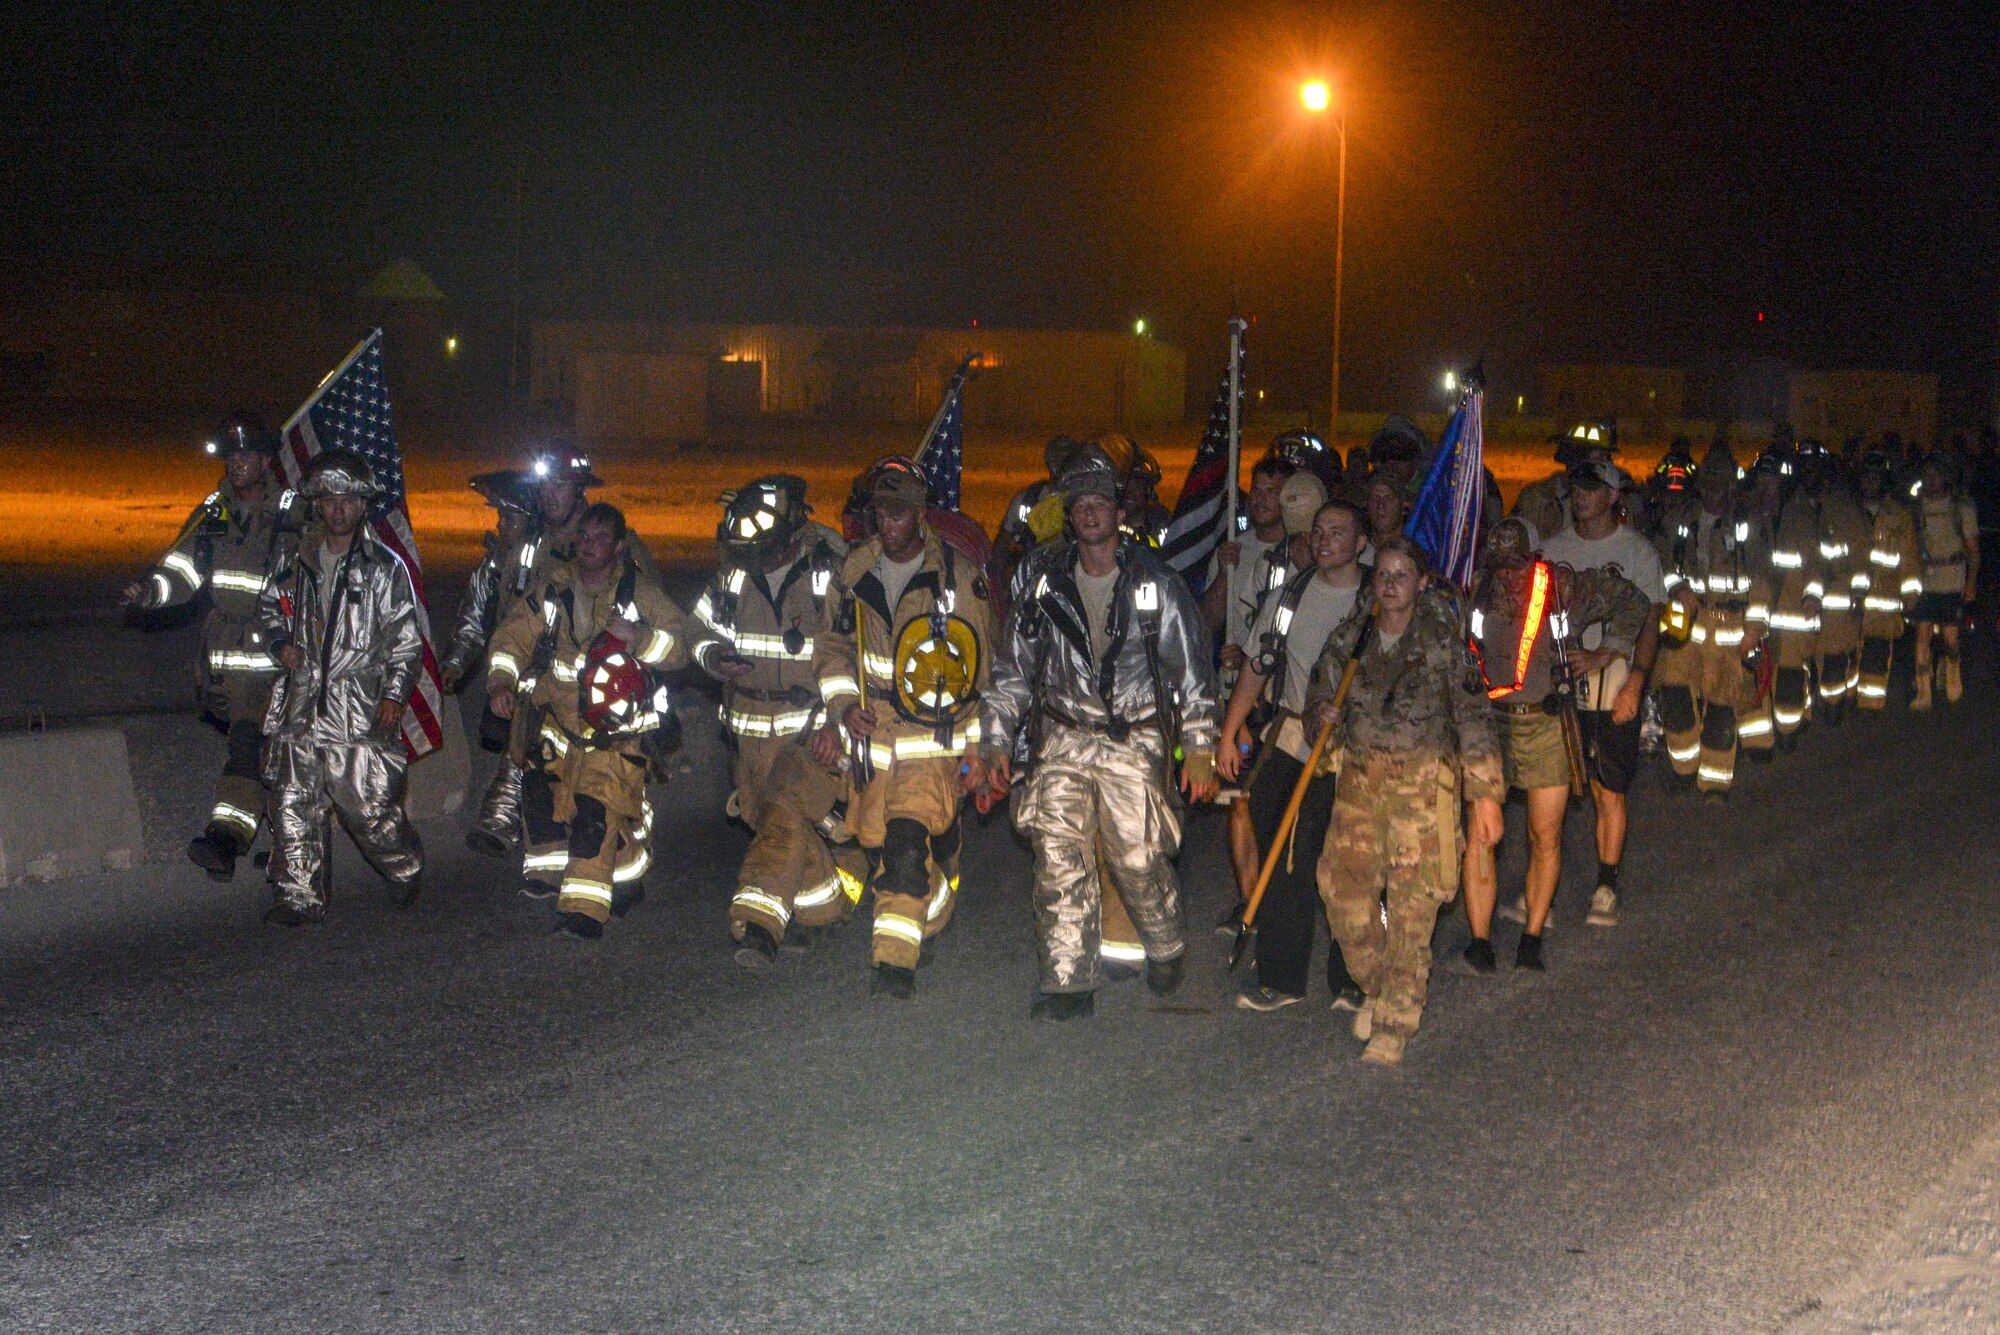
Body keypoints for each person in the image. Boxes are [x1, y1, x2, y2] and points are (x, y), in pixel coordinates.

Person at [971, 449, 1220, 1022]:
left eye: (1099, 503)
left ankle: (1165, 944)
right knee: (1058, 856)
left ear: (1117, 510)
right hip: (1062, 735)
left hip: (1134, 741)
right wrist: (995, 743)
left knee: (1136, 856)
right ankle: (1066, 983)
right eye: (1078, 504)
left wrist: (1201, 746)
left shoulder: (1154, 581)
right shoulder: (1042, 580)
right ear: (1069, 514)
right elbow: (1013, 668)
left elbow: (1192, 670)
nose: (1089, 513)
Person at [1308, 537, 1503, 1066]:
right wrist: (1322, 714)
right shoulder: (1352, 639)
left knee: (1414, 911)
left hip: (1422, 794)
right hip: (1359, 790)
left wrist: (1486, 796)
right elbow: (1319, 698)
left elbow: (1474, 720)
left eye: (1402, 575)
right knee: (1343, 897)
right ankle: (1376, 985)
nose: (1390, 583)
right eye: (1383, 574)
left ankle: (1395, 1019)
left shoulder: (1443, 644)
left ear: (1420, 583)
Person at [814, 460, 995, 997]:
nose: (887, 524)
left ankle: (893, 965)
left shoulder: (957, 577)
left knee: (904, 848)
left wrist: (979, 751)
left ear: (920, 514)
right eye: (879, 514)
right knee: (873, 842)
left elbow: (981, 671)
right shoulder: (852, 574)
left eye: (898, 514)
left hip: (933, 739)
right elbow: (831, 650)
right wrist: (843, 707)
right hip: (872, 740)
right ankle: (930, 906)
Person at [487, 503, 690, 938]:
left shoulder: (641, 594)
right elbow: (512, 638)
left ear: (618, 547)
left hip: (617, 735)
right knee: (546, 804)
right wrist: (500, 682)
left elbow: (679, 649)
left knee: (594, 814)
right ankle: (614, 872)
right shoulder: (553, 589)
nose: (588, 546)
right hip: (559, 728)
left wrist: (640, 639)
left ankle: (582, 912)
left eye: (600, 539)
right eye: (583, 537)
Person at [688, 474, 861, 964]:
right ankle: (819, 909)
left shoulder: (832, 573)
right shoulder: (734, 574)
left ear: (790, 533)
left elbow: (851, 653)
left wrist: (836, 721)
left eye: (764, 548)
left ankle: (757, 924)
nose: (755, 559)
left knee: (784, 815)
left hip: (809, 727)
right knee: (771, 822)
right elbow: (695, 629)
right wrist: (712, 655)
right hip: (748, 731)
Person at [1464, 518, 1647, 967]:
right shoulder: (1479, 590)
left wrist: (1607, 653)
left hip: (1545, 725)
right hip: (1491, 725)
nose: (1508, 576)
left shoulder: (1560, 585)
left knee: (1544, 836)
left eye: (1516, 566)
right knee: (1482, 835)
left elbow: (1635, 603)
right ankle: (1480, 941)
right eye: (1500, 566)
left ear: (1533, 557)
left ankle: (1531, 937)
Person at [122, 412, 295, 881]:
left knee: (248, 746)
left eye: (246, 455)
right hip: (223, 662)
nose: (236, 463)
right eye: (230, 455)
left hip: (275, 660)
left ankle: (225, 839)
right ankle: (289, 846)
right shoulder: (214, 511)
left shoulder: (292, 516)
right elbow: (183, 570)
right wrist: (151, 591)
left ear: (265, 460)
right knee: (270, 757)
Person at [255, 449, 424, 925]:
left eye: (348, 499)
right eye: (330, 499)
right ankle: (298, 897)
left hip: (359, 707)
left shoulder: (384, 568)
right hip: (301, 706)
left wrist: (393, 695)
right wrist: (279, 644)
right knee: (292, 803)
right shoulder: (295, 558)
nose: (338, 508)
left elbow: (406, 642)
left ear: (363, 504)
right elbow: (270, 606)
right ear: (317, 504)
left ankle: (405, 865)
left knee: (368, 810)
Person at [1218, 499, 1369, 1012]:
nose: (1325, 540)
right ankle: (1282, 976)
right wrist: (1231, 728)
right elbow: (1258, 665)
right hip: (1289, 741)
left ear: (1361, 543)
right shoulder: (1289, 594)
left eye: (1338, 531)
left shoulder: (1376, 601)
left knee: (1349, 865)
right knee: (1283, 854)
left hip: (1352, 750)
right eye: (1320, 531)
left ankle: (1353, 975)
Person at [1503, 459, 1666, 928]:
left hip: (1612, 686)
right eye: (1576, 487)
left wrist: (1635, 680)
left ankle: (1606, 886)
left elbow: (1650, 620)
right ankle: (1543, 897)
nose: (1581, 496)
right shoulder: (1553, 549)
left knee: (1607, 791)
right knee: (1546, 792)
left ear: (1614, 496)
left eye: (1593, 489)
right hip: (1558, 691)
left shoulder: (1636, 552)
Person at [1650, 442, 1773, 799]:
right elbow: (1660, 563)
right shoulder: (1679, 520)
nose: (1713, 493)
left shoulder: (1746, 524)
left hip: (1730, 626)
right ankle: (1683, 767)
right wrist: (1679, 589)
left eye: (1721, 486)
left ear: (1732, 487)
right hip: (1686, 618)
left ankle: (1715, 784)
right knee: (1672, 691)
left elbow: (1763, 577)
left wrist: (1754, 628)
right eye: (1708, 484)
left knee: (1722, 706)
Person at [440, 469, 541, 857]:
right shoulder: (494, 565)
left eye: (510, 518)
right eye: (500, 518)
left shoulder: (549, 563)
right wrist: (455, 664)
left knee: (524, 744)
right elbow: (473, 618)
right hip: (507, 671)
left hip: (544, 672)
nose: (502, 525)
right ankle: (503, 820)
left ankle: (498, 822)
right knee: (507, 741)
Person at [1201, 453, 1295, 686]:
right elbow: (1206, 625)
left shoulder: (1300, 552)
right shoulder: (1233, 551)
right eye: (1256, 490)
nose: (1260, 500)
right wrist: (1224, 575)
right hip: (1236, 683)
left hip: (1283, 683)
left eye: (1271, 492)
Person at [1908, 454, 1979, 708]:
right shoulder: (1917, 509)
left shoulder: (1960, 508)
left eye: (1934, 476)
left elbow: (1973, 550)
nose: (1929, 481)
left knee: (1950, 637)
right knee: (1922, 635)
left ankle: (1952, 672)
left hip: (1952, 580)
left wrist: (1971, 582)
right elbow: (1912, 545)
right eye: (1926, 476)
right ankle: (1923, 691)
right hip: (1927, 581)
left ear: (1945, 478)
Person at [1855, 451, 1920, 709]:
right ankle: (1852, 700)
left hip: (1885, 597)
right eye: (1866, 477)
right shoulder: (1850, 511)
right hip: (1854, 599)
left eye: (1875, 478)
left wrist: (1910, 594)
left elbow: (1910, 558)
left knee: (1878, 654)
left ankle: (1871, 704)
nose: (1870, 483)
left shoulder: (1898, 516)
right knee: (1852, 652)